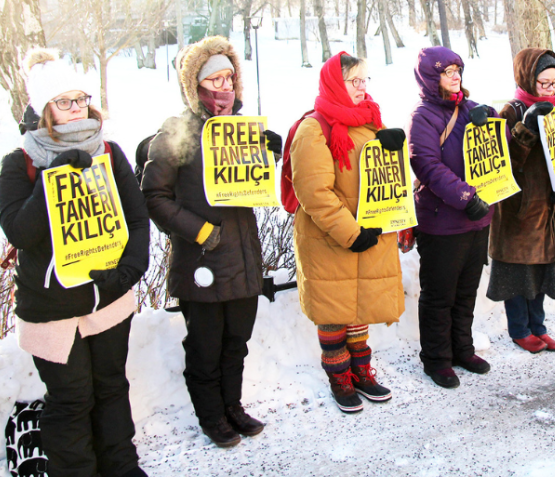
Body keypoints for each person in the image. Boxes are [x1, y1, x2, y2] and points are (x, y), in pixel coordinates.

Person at [0, 49, 150, 477]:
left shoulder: (109, 152)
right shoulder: (19, 163)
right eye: (64, 102)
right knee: (70, 397)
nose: (77, 109)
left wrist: (130, 270)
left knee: (110, 384)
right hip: (52, 308)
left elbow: (136, 218)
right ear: (44, 110)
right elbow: (19, 232)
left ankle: (119, 462)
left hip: (107, 297)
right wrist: (52, 181)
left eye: (80, 99)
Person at [141, 36, 274, 447]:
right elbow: (154, 196)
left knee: (237, 342)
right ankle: (211, 415)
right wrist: (199, 230)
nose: (225, 86)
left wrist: (269, 151)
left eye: (229, 77)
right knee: (205, 348)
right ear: (195, 86)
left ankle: (232, 405)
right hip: (202, 259)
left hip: (243, 259)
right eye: (214, 78)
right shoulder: (177, 131)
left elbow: (252, 189)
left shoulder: (242, 129)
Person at [289, 51, 405, 413]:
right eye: (354, 81)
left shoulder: (369, 121)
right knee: (334, 312)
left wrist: (390, 148)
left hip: (367, 233)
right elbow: (314, 194)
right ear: (334, 83)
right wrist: (350, 233)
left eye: (364, 80)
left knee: (358, 308)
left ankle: (362, 372)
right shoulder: (313, 129)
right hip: (331, 238)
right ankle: (339, 377)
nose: (361, 87)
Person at [406, 46, 496, 388]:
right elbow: (426, 165)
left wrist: (491, 120)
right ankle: (436, 358)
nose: (455, 75)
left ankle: (462, 348)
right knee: (440, 294)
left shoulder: (470, 108)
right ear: (432, 77)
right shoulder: (423, 116)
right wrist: (464, 195)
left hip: (477, 219)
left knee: (466, 291)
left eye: (458, 69)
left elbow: (492, 153)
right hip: (442, 220)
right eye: (447, 71)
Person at [487, 48, 555, 353]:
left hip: (552, 209)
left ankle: (539, 326)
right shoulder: (511, 111)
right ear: (529, 79)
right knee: (520, 273)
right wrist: (525, 129)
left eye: (554, 83)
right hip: (521, 208)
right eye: (543, 83)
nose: (549, 89)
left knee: (542, 271)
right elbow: (504, 164)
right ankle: (519, 329)